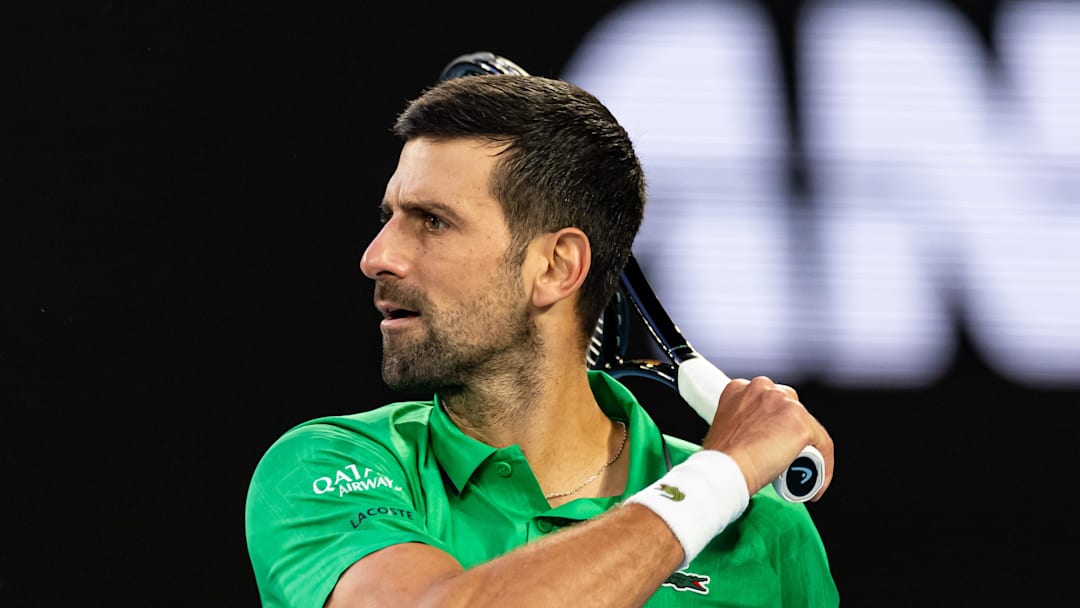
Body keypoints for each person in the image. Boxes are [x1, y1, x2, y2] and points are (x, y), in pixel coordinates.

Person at [245, 70, 838, 607]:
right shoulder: (328, 467)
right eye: (388, 218)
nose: (377, 257)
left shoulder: (766, 531)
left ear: (556, 267)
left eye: (433, 221)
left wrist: (721, 481)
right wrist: (717, 478)